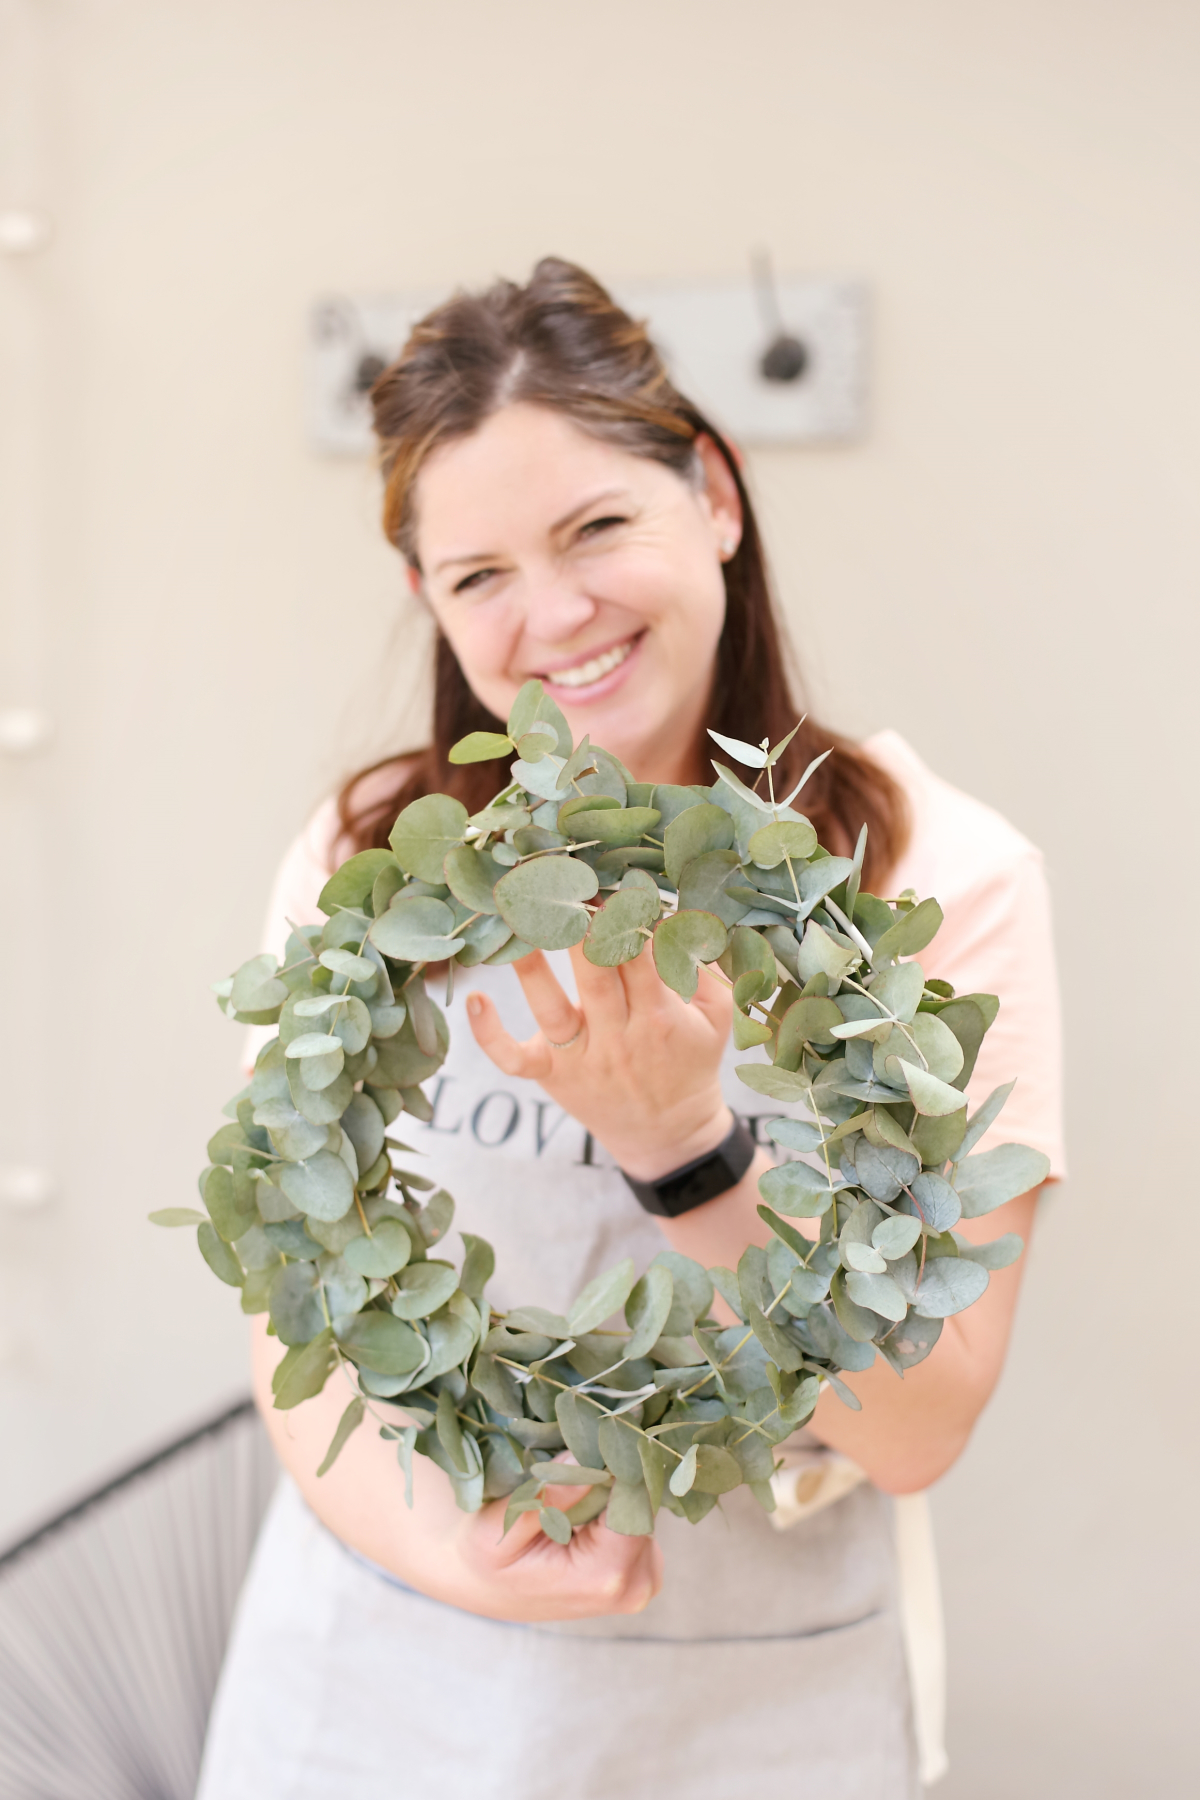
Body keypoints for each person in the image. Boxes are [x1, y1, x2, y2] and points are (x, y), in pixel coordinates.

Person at [198, 259, 1065, 1798]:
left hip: (750, 1716)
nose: (556, 615)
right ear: (429, 602)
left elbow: (919, 1427)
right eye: (479, 575)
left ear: (715, 495)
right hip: (371, 1687)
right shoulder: (371, 870)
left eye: (597, 527)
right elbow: (298, 1322)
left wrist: (688, 1150)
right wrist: (446, 1551)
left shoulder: (940, 878)